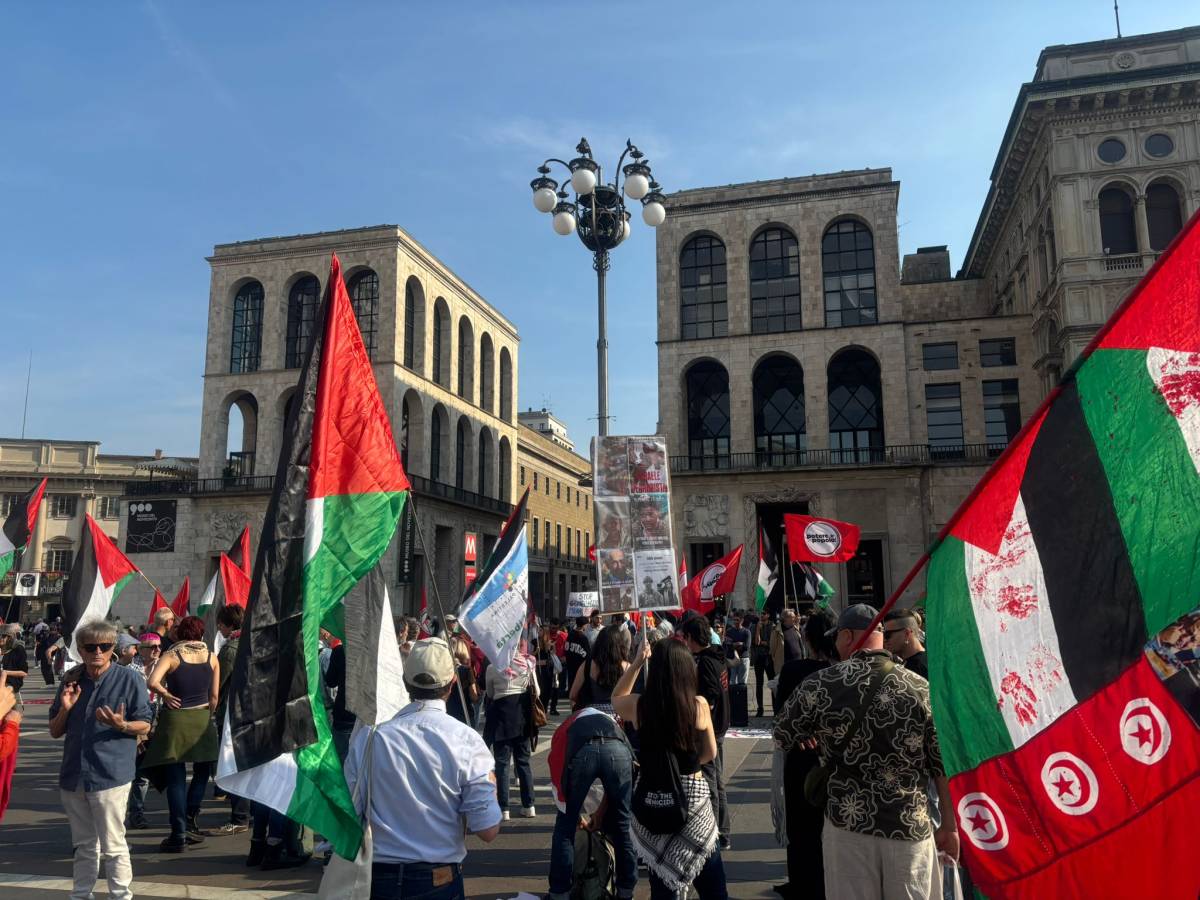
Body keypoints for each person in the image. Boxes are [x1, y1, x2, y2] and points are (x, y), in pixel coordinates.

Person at [774, 604, 958, 900]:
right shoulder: (920, 689)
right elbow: (942, 764)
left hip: (849, 825)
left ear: (847, 636)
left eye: (836, 638)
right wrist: (949, 825)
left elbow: (783, 732)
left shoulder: (823, 684)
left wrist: (811, 733)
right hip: (908, 824)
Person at [345, 637, 502, 898]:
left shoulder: (370, 738)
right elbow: (487, 829)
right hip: (437, 879)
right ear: (452, 684)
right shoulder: (467, 741)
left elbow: (350, 810)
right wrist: (492, 785)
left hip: (377, 877)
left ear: (406, 683)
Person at [614, 637, 727, 899]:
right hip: (694, 803)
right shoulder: (698, 705)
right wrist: (686, 767)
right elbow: (710, 751)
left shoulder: (641, 706)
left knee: (662, 886)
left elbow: (616, 697)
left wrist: (638, 662)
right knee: (713, 887)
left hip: (654, 796)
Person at [49, 619, 152, 900]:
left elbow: (145, 724)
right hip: (74, 774)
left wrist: (122, 725)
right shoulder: (71, 679)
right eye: (90, 647)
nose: (98, 652)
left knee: (113, 844)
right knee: (83, 845)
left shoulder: (130, 679)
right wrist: (66, 710)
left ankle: (120, 896)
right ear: (80, 650)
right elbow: (55, 731)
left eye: (104, 646)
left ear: (112, 649)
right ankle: (81, 894)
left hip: (110, 774)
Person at [773, 608, 837, 900]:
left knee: (800, 825)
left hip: (801, 755)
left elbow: (782, 714)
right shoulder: (844, 671)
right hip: (836, 757)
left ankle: (801, 882)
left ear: (808, 638)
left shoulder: (794, 670)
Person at [142, 615, 219, 852]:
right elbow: (214, 696)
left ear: (180, 634)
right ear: (201, 634)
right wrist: (207, 713)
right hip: (202, 718)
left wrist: (166, 695)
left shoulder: (172, 655)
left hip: (176, 719)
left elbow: (152, 682)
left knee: (175, 777)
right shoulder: (212, 658)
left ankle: (178, 832)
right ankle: (191, 817)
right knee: (202, 771)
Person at [680, 615, 732, 850]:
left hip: (709, 728)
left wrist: (699, 718)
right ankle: (723, 831)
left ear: (691, 637)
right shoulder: (716, 657)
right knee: (716, 780)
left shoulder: (707, 663)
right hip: (718, 726)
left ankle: (715, 833)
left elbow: (710, 696)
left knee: (711, 781)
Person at [203, 604, 250, 836]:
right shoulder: (254, 642)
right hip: (250, 712)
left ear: (230, 624)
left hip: (233, 714)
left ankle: (240, 817)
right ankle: (246, 814)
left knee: (233, 765)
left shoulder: (230, 649)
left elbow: (218, 684)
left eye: (221, 623)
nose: (219, 628)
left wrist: (210, 705)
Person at [484, 644, 539, 819]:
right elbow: (537, 691)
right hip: (522, 717)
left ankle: (504, 808)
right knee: (523, 762)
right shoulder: (527, 664)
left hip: (501, 717)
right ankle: (529, 805)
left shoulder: (492, 667)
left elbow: (490, 694)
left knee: (502, 764)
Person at [125, 634, 161, 830]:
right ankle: (125, 812)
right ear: (141, 649)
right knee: (130, 771)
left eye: (159, 647)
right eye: (152, 647)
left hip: (156, 723)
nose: (157, 650)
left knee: (143, 773)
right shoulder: (130, 671)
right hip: (135, 722)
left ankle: (137, 813)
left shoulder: (164, 667)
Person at [883, 608, 928, 679]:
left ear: (907, 633)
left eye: (888, 634)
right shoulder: (925, 661)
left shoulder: (920, 669)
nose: (884, 640)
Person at [752, 612, 776, 718]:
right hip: (759, 658)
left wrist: (765, 643)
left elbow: (771, 643)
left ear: (768, 615)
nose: (762, 615)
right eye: (761, 613)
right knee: (759, 684)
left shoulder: (773, 626)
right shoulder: (755, 626)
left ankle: (775, 707)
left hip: (769, 658)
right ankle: (760, 708)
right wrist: (758, 629)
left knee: (772, 683)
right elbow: (756, 642)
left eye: (764, 613)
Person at [536, 624, 560, 716]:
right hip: (538, 670)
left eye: (541, 631)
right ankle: (539, 711)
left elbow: (553, 654)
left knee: (547, 691)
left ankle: (545, 710)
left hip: (547, 671)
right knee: (540, 691)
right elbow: (532, 655)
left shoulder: (549, 642)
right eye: (538, 631)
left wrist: (551, 647)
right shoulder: (535, 642)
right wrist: (536, 652)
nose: (539, 632)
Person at [770, 609, 803, 676]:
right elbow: (772, 649)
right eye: (793, 617)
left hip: (798, 662)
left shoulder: (795, 628)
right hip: (785, 664)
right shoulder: (777, 631)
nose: (795, 618)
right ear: (785, 618)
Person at [1, 623, 29, 700]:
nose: (1, 638)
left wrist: (5, 672)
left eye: (3, 636)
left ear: (9, 637)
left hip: (10, 685)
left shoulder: (18, 650)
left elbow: (24, 673)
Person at [723, 613, 751, 687]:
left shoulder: (746, 632)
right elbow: (727, 645)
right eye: (734, 620)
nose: (735, 622)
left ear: (742, 621)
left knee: (742, 684)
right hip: (732, 660)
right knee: (732, 683)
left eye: (737, 620)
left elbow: (747, 647)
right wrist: (735, 645)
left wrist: (738, 644)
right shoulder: (729, 631)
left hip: (743, 659)